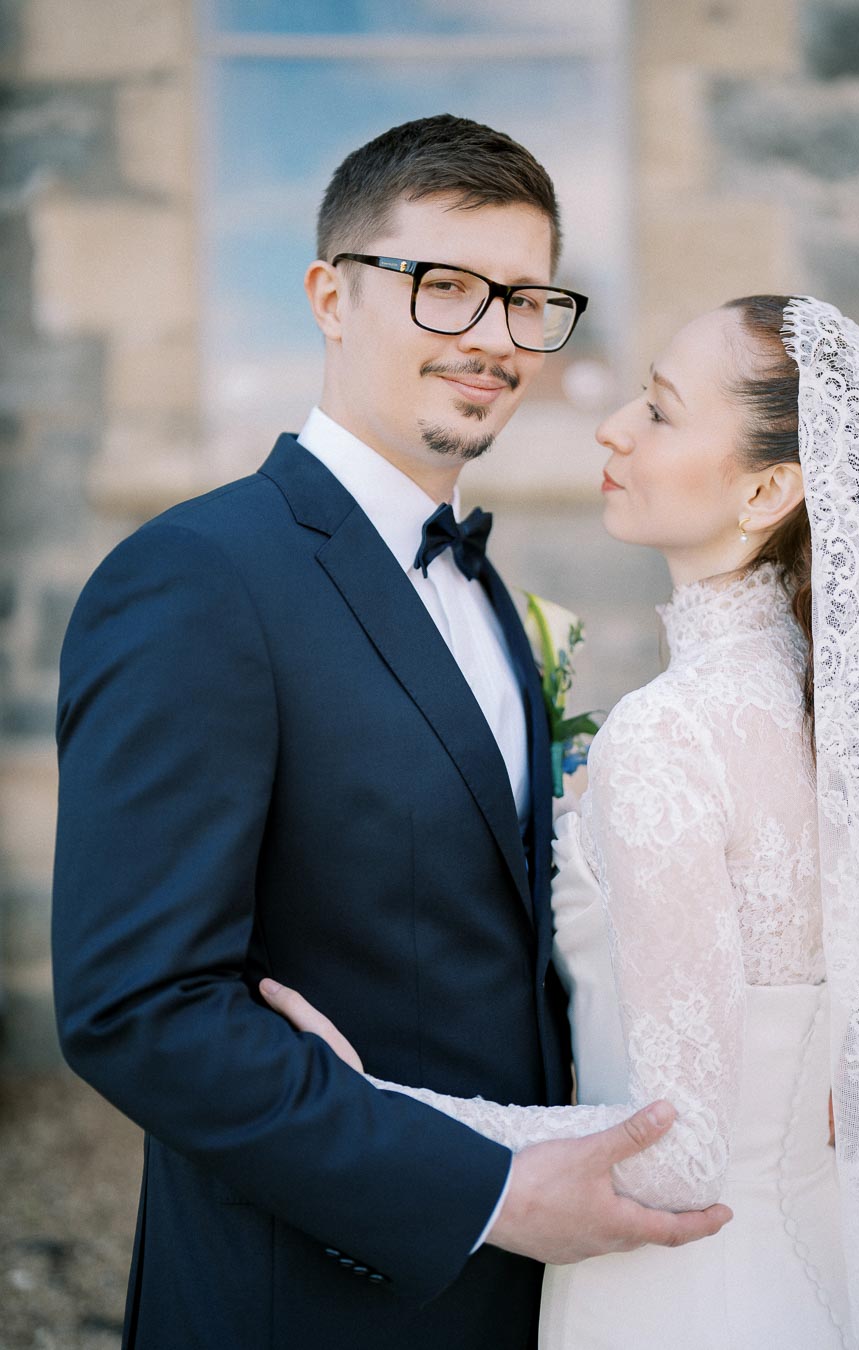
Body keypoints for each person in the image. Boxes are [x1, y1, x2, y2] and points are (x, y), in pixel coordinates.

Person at [51, 114, 729, 1350]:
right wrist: (486, 1190)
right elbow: (137, 1007)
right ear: (329, 294)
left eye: (528, 301)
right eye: (446, 288)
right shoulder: (197, 578)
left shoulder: (497, 602)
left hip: (530, 1293)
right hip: (309, 1297)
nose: (493, 340)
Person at [261, 293, 859, 1349]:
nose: (613, 427)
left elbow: (673, 1155)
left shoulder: (672, 735)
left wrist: (370, 1104)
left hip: (679, 1301)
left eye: (659, 410)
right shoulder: (836, 717)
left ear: (769, 487)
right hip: (810, 1267)